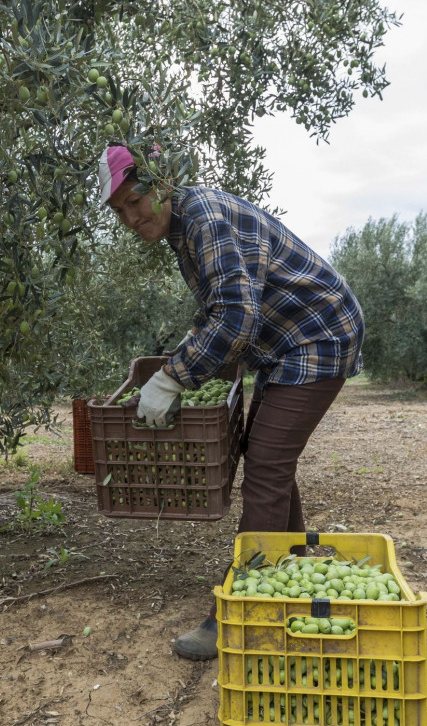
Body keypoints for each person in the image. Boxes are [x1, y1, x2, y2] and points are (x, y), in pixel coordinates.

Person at [97, 144, 364, 660]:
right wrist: (188, 351)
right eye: (119, 210)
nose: (131, 218)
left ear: (163, 184)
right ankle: (295, 571)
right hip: (285, 346)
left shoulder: (203, 217)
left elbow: (236, 318)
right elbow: (222, 304)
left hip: (318, 336)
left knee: (266, 467)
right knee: (268, 460)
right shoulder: (184, 226)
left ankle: (240, 612)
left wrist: (172, 378)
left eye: (135, 200)